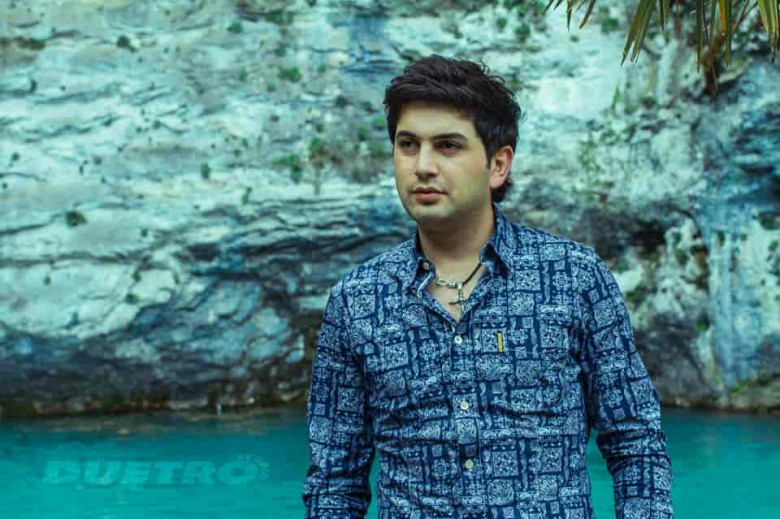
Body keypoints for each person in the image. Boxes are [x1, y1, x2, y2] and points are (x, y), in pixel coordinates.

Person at [302, 54, 674, 519]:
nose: (422, 166)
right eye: (408, 144)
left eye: (448, 146)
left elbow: (636, 443)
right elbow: (334, 482)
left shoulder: (573, 277)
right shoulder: (357, 300)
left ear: (498, 164)